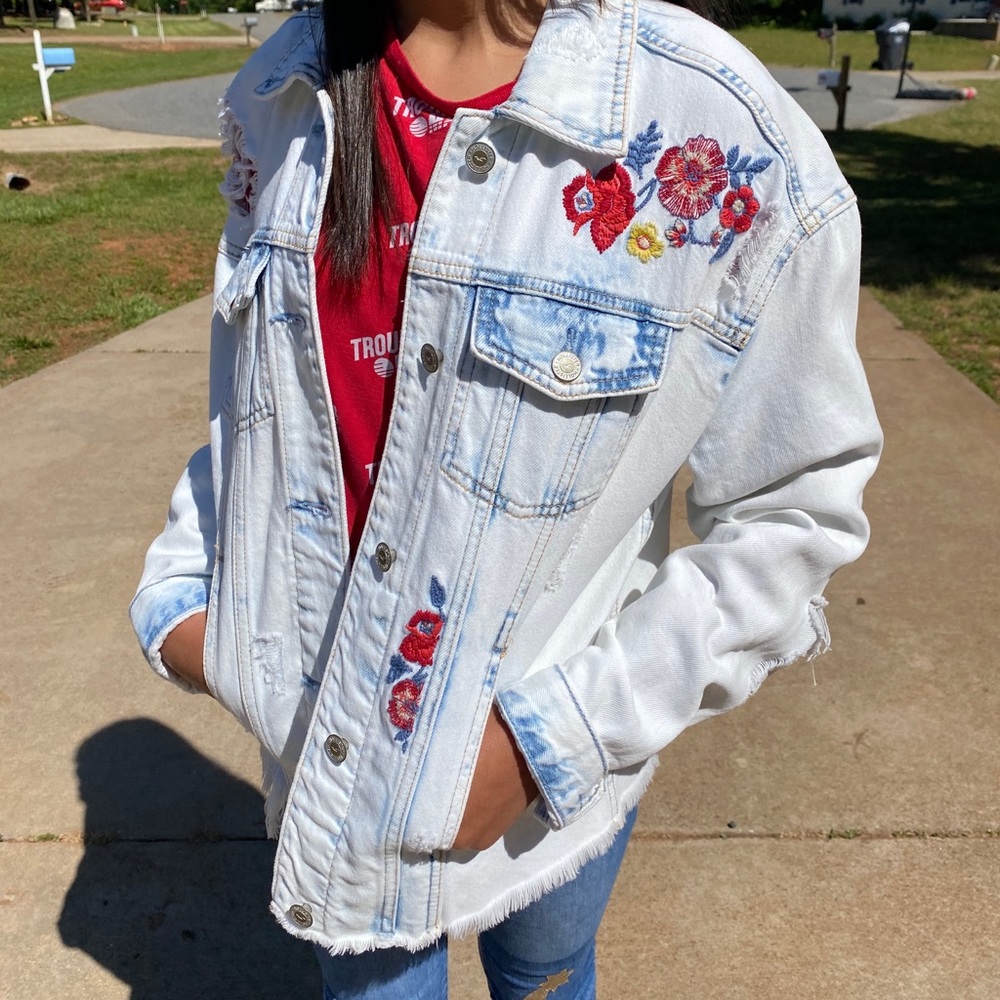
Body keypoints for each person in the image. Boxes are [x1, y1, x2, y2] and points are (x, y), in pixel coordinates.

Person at [130, 0, 882, 995]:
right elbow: (258, 403)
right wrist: (189, 605)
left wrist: (543, 745)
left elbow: (793, 512)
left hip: (545, 788)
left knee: (547, 968)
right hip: (334, 775)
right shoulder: (282, 87)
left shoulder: (717, 130)